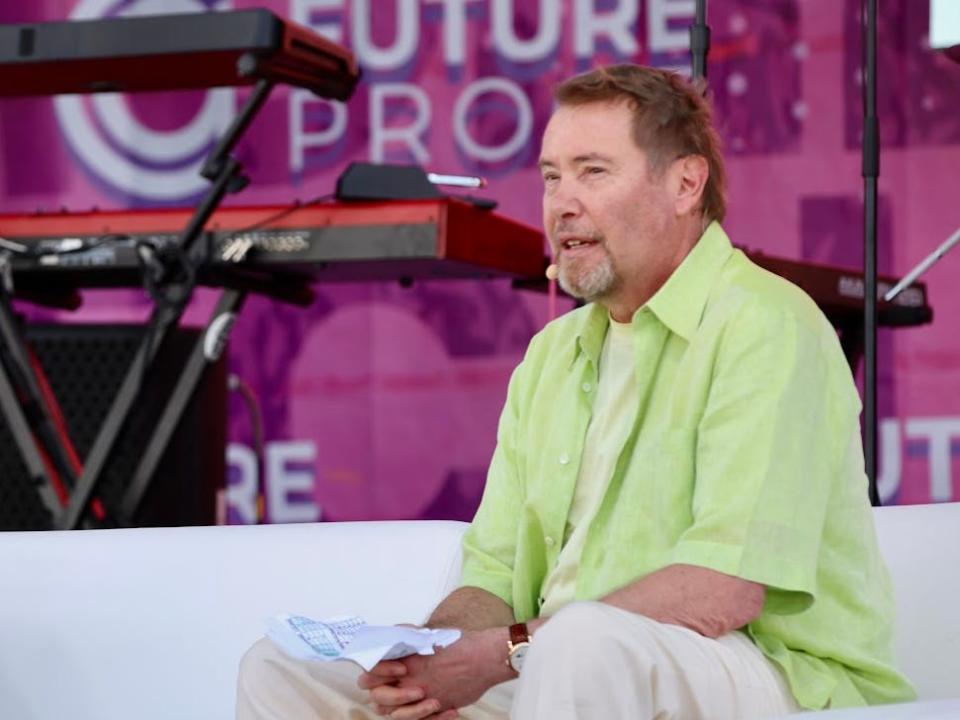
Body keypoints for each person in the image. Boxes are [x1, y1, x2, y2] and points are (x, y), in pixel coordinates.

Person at [236, 64, 915, 720]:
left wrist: (505, 653)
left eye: (593, 171)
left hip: (766, 670)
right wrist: (432, 664)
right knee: (282, 672)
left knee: (582, 644)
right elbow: (494, 574)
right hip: (555, 665)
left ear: (685, 184)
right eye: (552, 178)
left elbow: (722, 588)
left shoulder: (764, 324)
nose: (562, 203)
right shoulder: (550, 357)